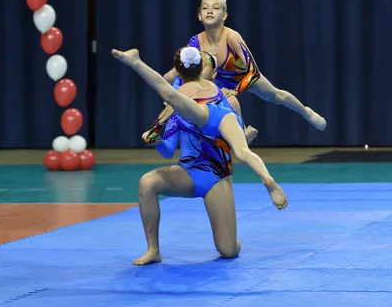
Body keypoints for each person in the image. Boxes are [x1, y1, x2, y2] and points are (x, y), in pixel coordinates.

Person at [111, 45, 288, 266]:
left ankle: (262, 189)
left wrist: (245, 135)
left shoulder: (226, 100)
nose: (201, 65)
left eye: (205, 63)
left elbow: (239, 148)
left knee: (228, 250)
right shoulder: (178, 107)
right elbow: (167, 151)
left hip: (216, 177)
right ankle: (153, 249)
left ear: (212, 72)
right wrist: (158, 141)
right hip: (188, 172)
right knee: (147, 182)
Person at [163, 0, 326, 131]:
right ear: (199, 15)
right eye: (205, 8)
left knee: (276, 96)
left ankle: (306, 111)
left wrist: (236, 90)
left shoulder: (232, 37)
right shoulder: (196, 41)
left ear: (224, 15)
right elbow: (182, 70)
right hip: (219, 82)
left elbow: (253, 71)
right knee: (226, 103)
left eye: (216, 8)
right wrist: (166, 88)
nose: (210, 11)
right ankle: (242, 133)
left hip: (244, 78)